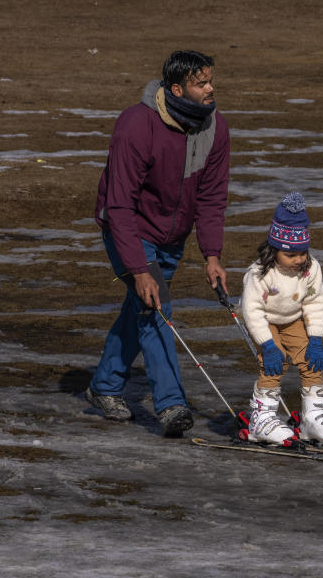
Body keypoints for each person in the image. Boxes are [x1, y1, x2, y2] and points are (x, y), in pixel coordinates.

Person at [86, 50, 230, 437]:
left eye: (210, 80)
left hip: (172, 238)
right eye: (203, 83)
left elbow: (212, 197)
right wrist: (137, 268)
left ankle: (104, 386)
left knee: (141, 307)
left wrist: (212, 254)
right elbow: (118, 204)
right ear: (179, 89)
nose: (211, 88)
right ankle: (171, 405)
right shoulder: (136, 125)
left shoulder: (215, 127)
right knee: (156, 309)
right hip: (127, 229)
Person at [238, 192, 323, 449]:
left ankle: (312, 418)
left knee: (312, 363)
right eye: (291, 255)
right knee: (274, 365)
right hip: (264, 322)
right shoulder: (259, 274)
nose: (298, 260)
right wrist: (267, 344)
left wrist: (316, 338)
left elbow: (315, 302)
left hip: (294, 320)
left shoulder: (311, 268)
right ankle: (261, 420)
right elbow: (251, 310)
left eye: (302, 252)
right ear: (275, 249)